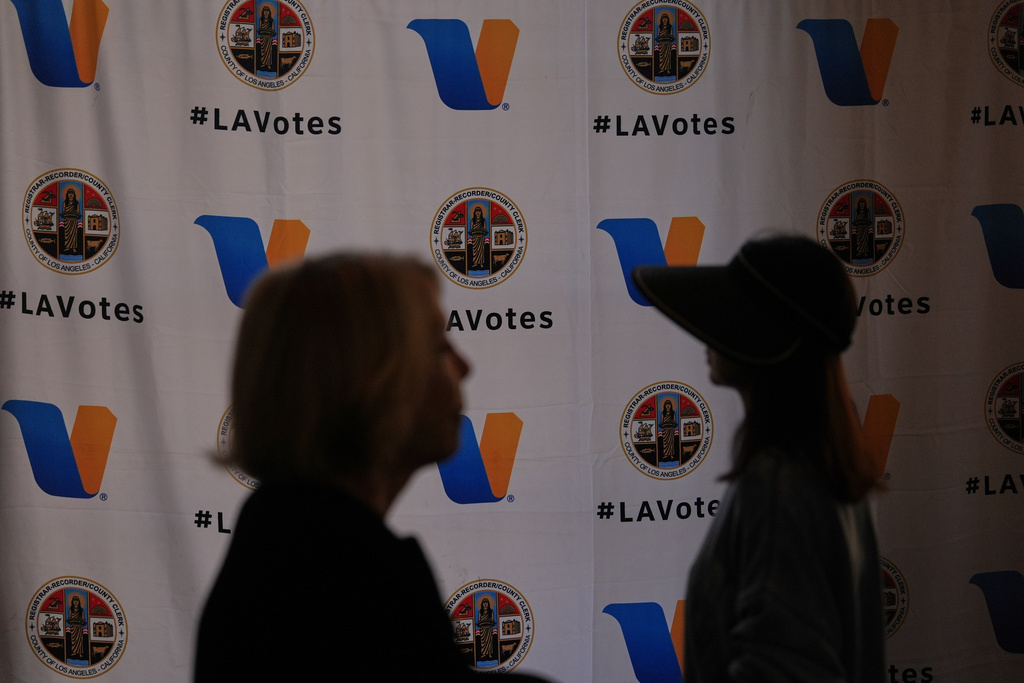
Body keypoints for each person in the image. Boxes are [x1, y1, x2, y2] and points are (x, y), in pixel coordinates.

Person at [194, 254, 550, 682]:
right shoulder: (336, 573)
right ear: (370, 379)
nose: (464, 367)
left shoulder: (297, 544)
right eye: (439, 348)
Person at [633, 235, 885, 683]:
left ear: (767, 339)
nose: (707, 331)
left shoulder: (778, 486)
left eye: (730, 313)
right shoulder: (829, 472)